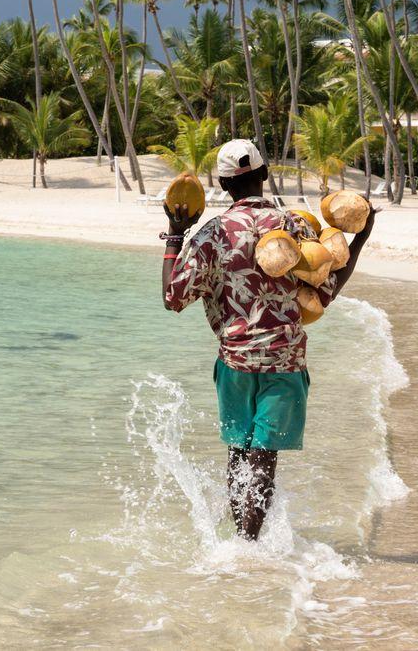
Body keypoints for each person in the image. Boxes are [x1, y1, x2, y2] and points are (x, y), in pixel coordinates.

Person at [161, 139, 376, 541]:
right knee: (263, 458)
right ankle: (250, 547)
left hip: (234, 362)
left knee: (239, 455)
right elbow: (324, 291)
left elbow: (174, 298)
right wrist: (360, 239)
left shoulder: (211, 235)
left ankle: (241, 548)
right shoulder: (293, 226)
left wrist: (175, 236)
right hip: (285, 362)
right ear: (264, 174)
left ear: (224, 185)